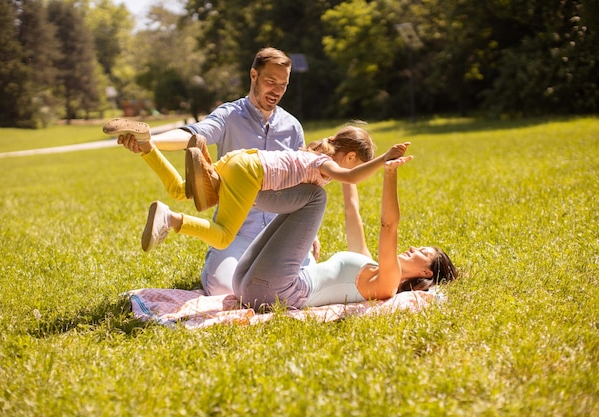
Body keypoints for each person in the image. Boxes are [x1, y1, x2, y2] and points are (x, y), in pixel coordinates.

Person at [109, 47, 313, 296]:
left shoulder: (293, 127)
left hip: (277, 233)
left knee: (306, 285)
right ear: (253, 75)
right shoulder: (230, 116)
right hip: (236, 233)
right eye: (271, 81)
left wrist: (310, 233)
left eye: (284, 84)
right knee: (222, 290)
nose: (278, 91)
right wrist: (150, 140)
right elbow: (194, 134)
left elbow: (304, 184)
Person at [231, 151, 458, 310]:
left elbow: (389, 226)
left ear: (426, 273)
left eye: (423, 252)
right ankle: (232, 190)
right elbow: (352, 212)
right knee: (308, 193)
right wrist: (346, 168)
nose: (412, 247)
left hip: (276, 293)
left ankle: (233, 190)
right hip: (244, 283)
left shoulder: (388, 283)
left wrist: (390, 173)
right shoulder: (368, 262)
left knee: (315, 197)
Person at [129, 125, 408, 253]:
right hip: (250, 173)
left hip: (239, 160)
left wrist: (308, 234)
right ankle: (172, 219)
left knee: (182, 190)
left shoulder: (311, 155)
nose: (352, 168)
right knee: (224, 237)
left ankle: (147, 147)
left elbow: (290, 202)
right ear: (349, 157)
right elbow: (351, 178)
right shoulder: (324, 163)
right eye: (355, 162)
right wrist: (385, 158)